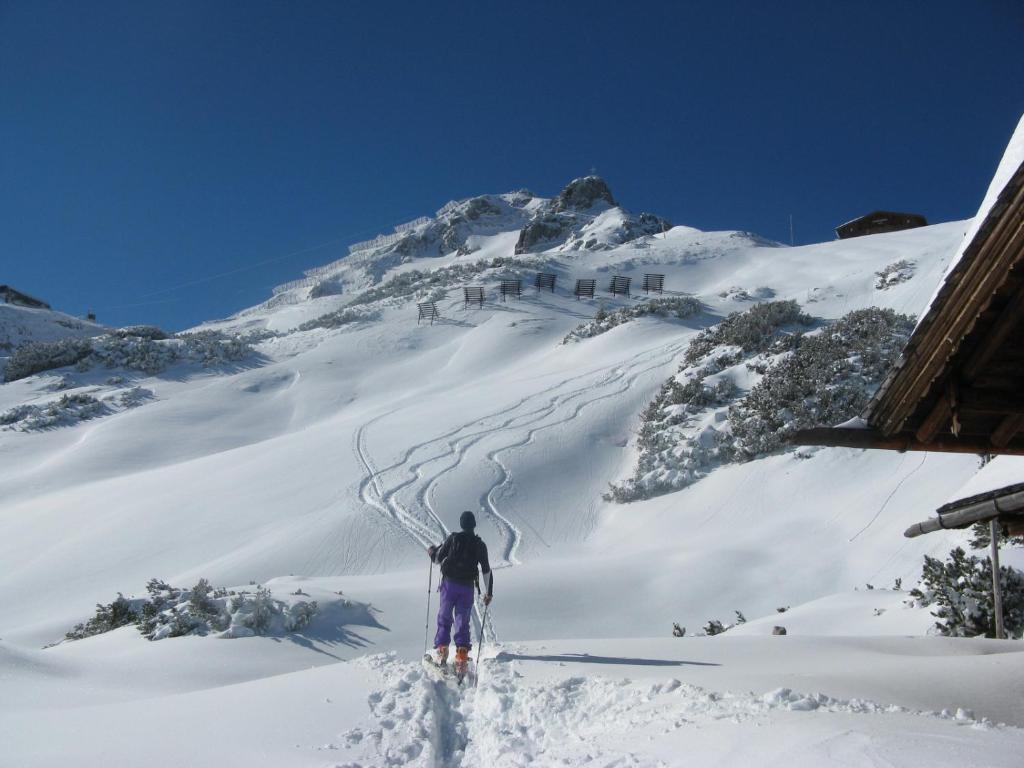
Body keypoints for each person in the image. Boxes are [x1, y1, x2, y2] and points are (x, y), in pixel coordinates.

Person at [428, 511, 493, 674]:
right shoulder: (480, 545)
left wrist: (431, 552)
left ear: (461, 524)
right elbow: (486, 571)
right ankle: (461, 657)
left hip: (449, 585)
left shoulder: (453, 538)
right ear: (474, 525)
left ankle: (442, 653)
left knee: (444, 617)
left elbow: (437, 559)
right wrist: (488, 592)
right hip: (467, 587)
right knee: (462, 620)